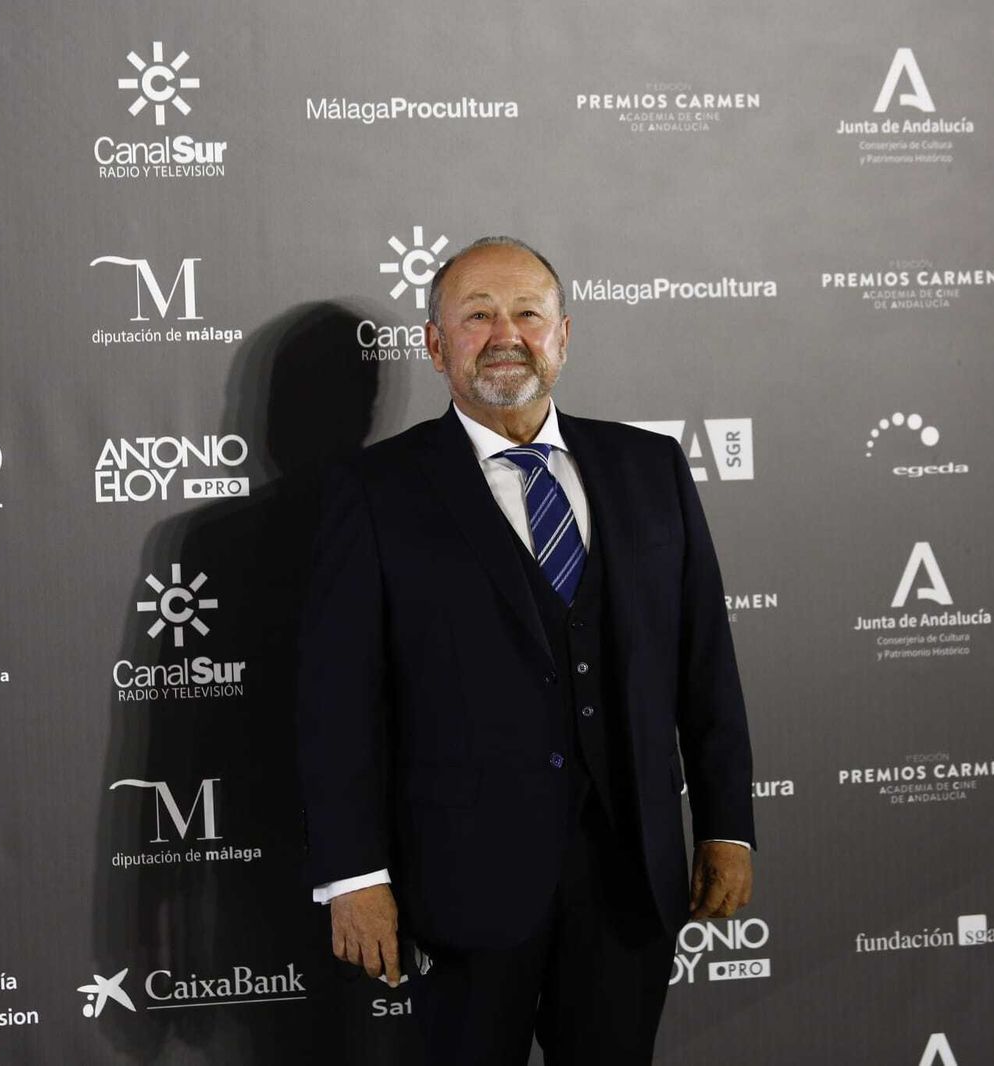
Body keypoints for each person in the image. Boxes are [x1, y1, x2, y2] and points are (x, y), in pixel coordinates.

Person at [296, 236, 755, 1064]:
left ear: (563, 336)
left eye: (527, 314)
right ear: (436, 345)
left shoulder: (650, 467)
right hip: (462, 888)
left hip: (629, 882)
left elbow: (705, 666)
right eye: (477, 316)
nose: (505, 333)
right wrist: (355, 877)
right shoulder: (375, 492)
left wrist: (727, 827)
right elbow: (338, 706)